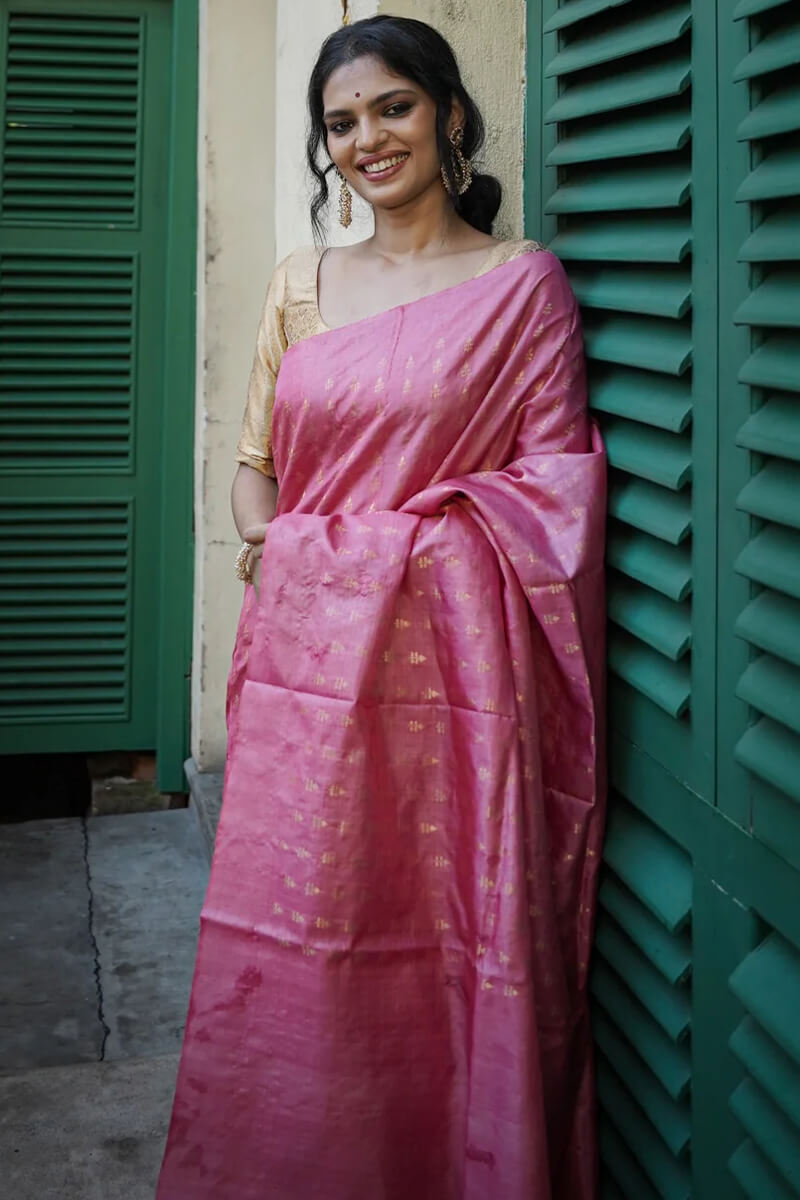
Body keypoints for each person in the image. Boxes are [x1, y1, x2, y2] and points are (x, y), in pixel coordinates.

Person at [158, 15, 606, 1200]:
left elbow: (553, 495)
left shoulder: (518, 286)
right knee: (297, 937)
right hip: (303, 684)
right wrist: (286, 545)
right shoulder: (298, 285)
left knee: (438, 941)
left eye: (391, 107)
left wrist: (372, 553)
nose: (367, 139)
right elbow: (255, 467)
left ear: (448, 113)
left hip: (452, 697)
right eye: (341, 122)